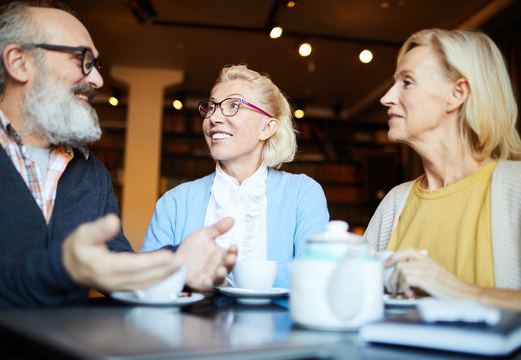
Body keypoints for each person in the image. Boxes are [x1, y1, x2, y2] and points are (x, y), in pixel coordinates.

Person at [0, 1, 237, 309]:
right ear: (19, 62)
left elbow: (114, 265)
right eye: (82, 60)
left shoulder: (91, 171)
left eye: (95, 65)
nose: (98, 81)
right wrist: (64, 268)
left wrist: (175, 262)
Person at [364, 28, 521, 310]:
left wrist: (459, 291)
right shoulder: (395, 202)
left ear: (457, 93)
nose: (386, 97)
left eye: (407, 82)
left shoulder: (516, 187)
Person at [142, 64, 329, 288]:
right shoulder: (174, 202)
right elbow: (146, 280)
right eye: (211, 107)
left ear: (267, 128)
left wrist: (226, 277)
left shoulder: (303, 194)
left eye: (233, 105)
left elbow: (315, 275)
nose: (214, 118)